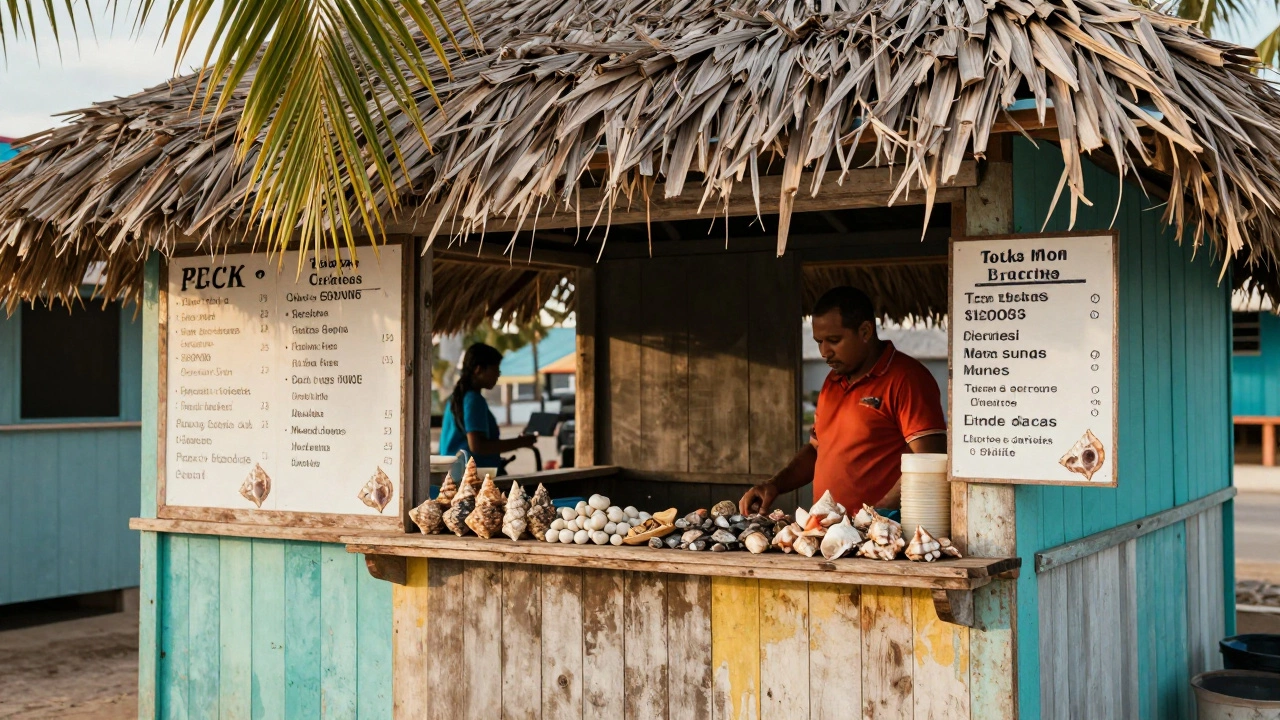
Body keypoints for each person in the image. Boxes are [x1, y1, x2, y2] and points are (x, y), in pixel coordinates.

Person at [739, 286, 947, 516]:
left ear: (865, 331)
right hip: (828, 534)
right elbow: (817, 449)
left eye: (834, 340)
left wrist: (878, 514)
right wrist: (775, 485)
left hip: (881, 536)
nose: (824, 352)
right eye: (819, 341)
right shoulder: (832, 381)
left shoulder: (907, 378)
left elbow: (929, 458)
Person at [439, 343, 537, 473]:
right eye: (495, 369)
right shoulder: (473, 399)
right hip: (468, 479)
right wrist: (521, 442)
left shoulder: (458, 397)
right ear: (478, 369)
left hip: (455, 474)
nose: (498, 374)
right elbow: (478, 446)